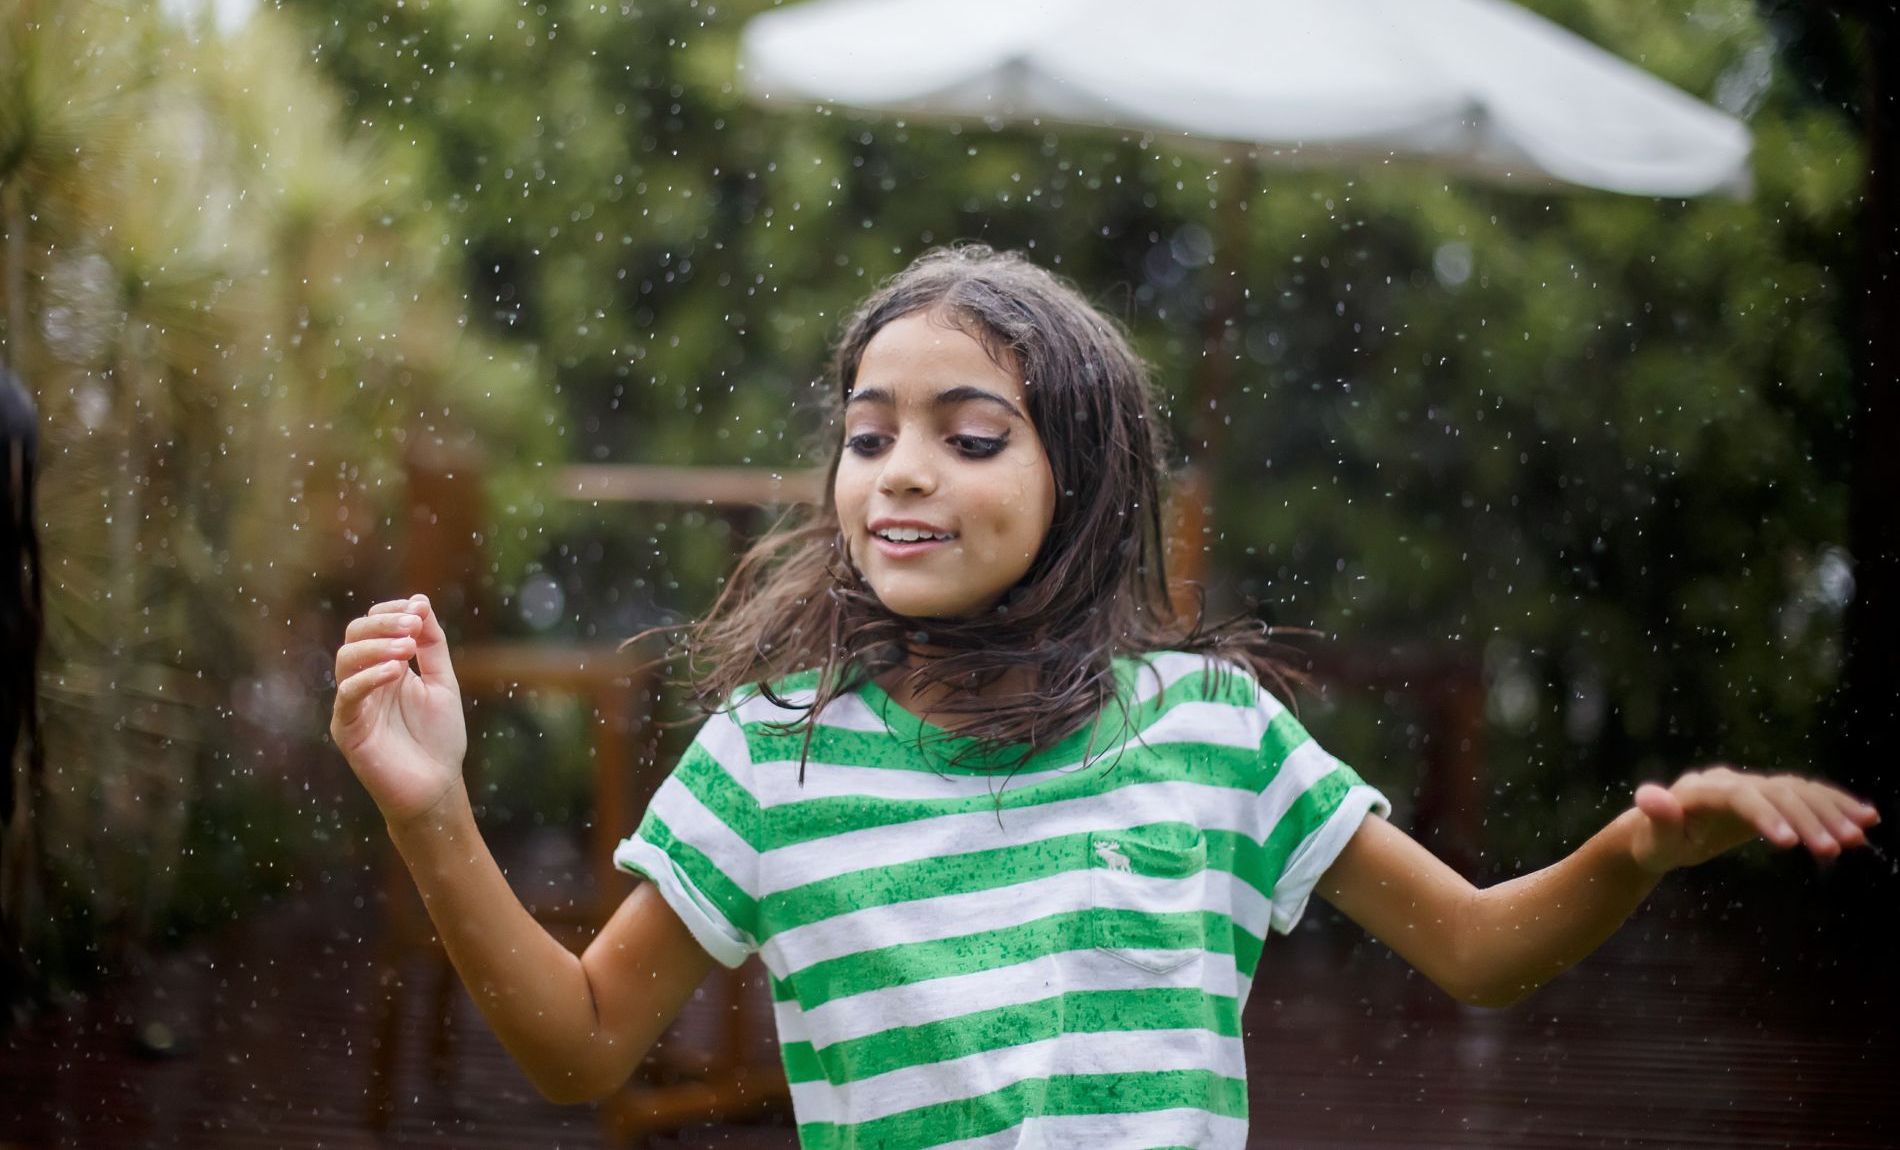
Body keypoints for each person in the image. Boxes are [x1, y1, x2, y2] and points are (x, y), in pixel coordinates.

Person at [328, 245, 1879, 1149]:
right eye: (868, 436)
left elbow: (1476, 953)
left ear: (1080, 481)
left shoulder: (1212, 733)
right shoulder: (768, 760)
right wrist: (434, 812)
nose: (901, 472)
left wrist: (1637, 850)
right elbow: (586, 1048)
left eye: (969, 436)